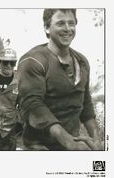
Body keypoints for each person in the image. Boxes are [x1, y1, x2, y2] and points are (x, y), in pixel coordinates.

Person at [17, 9, 102, 150]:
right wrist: (68, 142)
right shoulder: (33, 60)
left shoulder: (82, 61)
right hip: (40, 147)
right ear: (47, 28)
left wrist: (97, 140)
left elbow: (86, 103)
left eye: (71, 23)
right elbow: (32, 105)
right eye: (61, 23)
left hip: (73, 144)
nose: (67, 29)